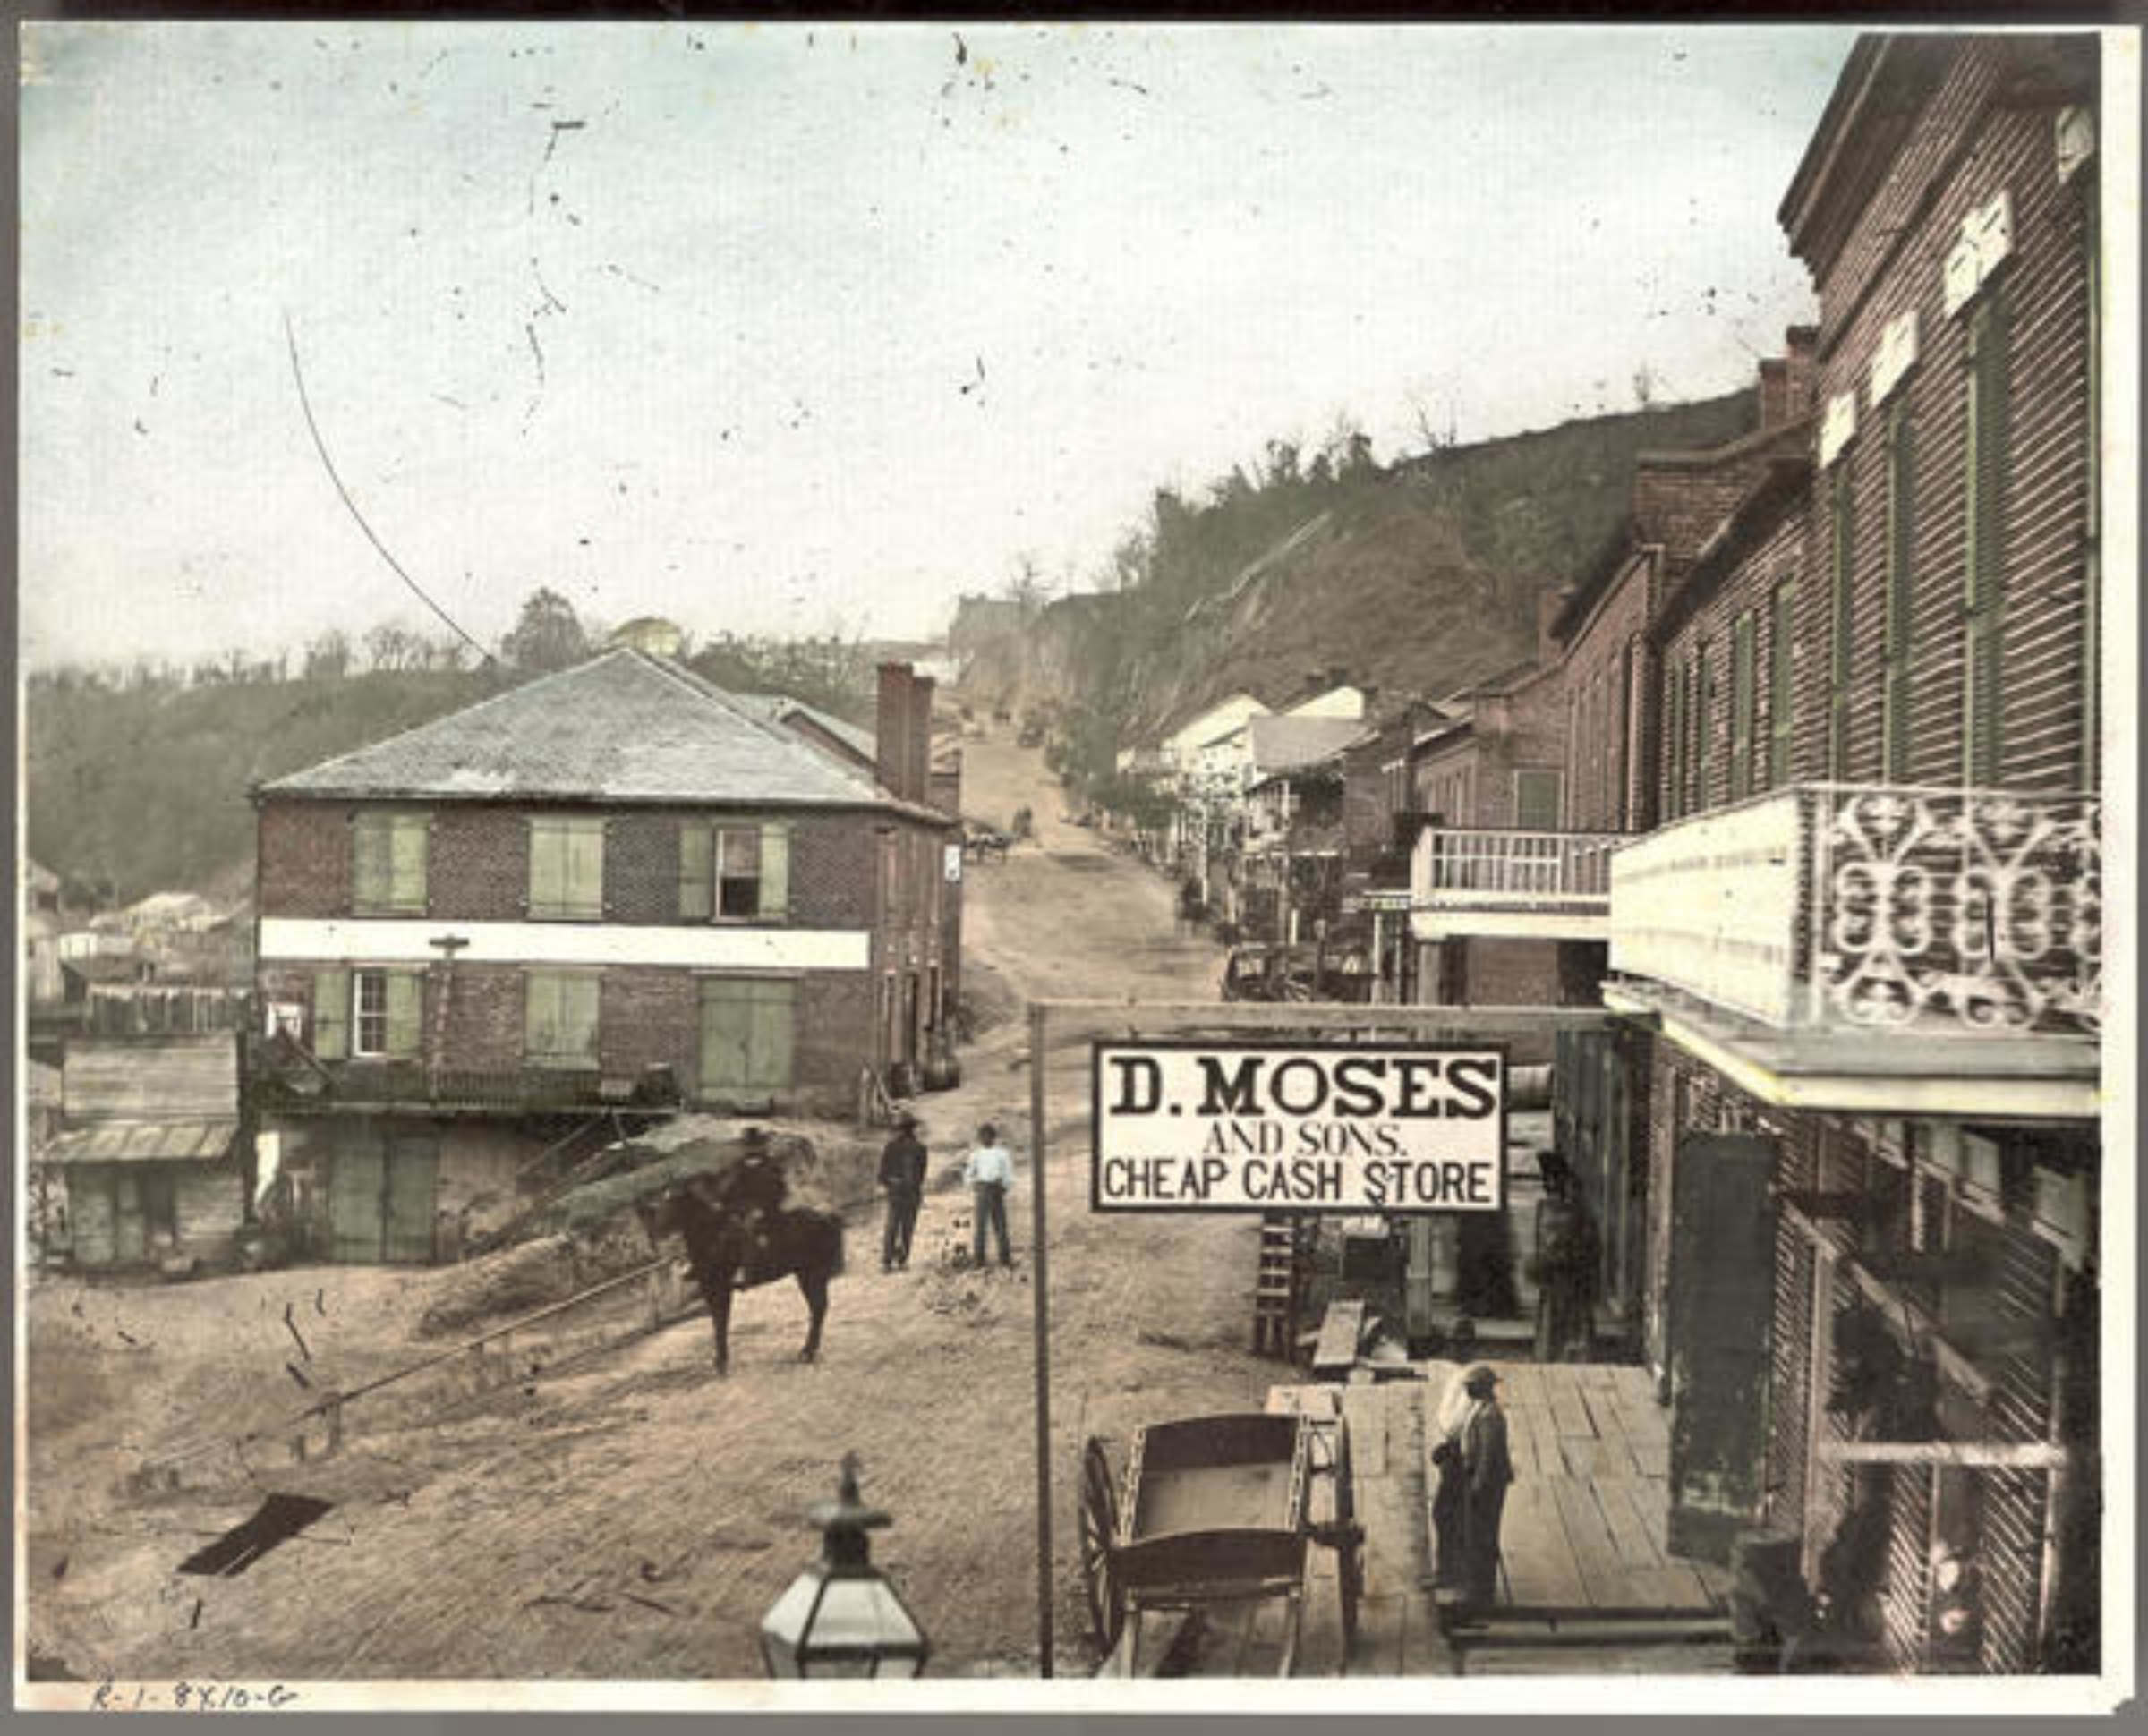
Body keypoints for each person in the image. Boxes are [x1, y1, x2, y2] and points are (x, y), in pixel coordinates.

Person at [1531, 1149, 1601, 1363]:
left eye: (1550, 1179)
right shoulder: (1546, 1206)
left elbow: (1589, 1240)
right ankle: (1554, 1355)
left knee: (1570, 1314)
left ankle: (1567, 1355)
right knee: (1555, 1312)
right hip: (1555, 1270)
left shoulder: (1575, 1207)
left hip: (1571, 1270)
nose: (1547, 1185)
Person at [1454, 1363, 1514, 1611]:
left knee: (1482, 1536)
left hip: (1488, 1484)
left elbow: (1488, 1456)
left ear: (1481, 1388)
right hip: (1481, 1479)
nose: (1467, 1390)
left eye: (1471, 1387)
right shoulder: (1482, 1409)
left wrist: (1478, 1485)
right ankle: (1478, 1588)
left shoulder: (1490, 1416)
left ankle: (1481, 1593)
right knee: (1477, 1535)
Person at [878, 1112, 927, 1272]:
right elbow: (920, 1176)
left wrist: (890, 1182)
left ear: (904, 1130)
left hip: (900, 1194)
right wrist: (894, 1182)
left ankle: (888, 1262)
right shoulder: (920, 1148)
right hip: (908, 1194)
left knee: (893, 1227)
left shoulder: (893, 1147)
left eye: (899, 1129)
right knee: (905, 1228)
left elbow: (882, 1174)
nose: (897, 1132)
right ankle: (900, 1261)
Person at [964, 1122, 1015, 1268]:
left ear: (994, 1137)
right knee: (980, 1226)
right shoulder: (976, 1155)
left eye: (989, 1136)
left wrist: (1005, 1186)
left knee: (1000, 1225)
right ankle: (979, 1260)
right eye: (983, 1136)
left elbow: (1008, 1173)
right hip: (982, 1190)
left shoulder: (1002, 1154)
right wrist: (975, 1185)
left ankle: (1005, 1258)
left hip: (996, 1189)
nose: (986, 1139)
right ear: (979, 1138)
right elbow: (968, 1174)